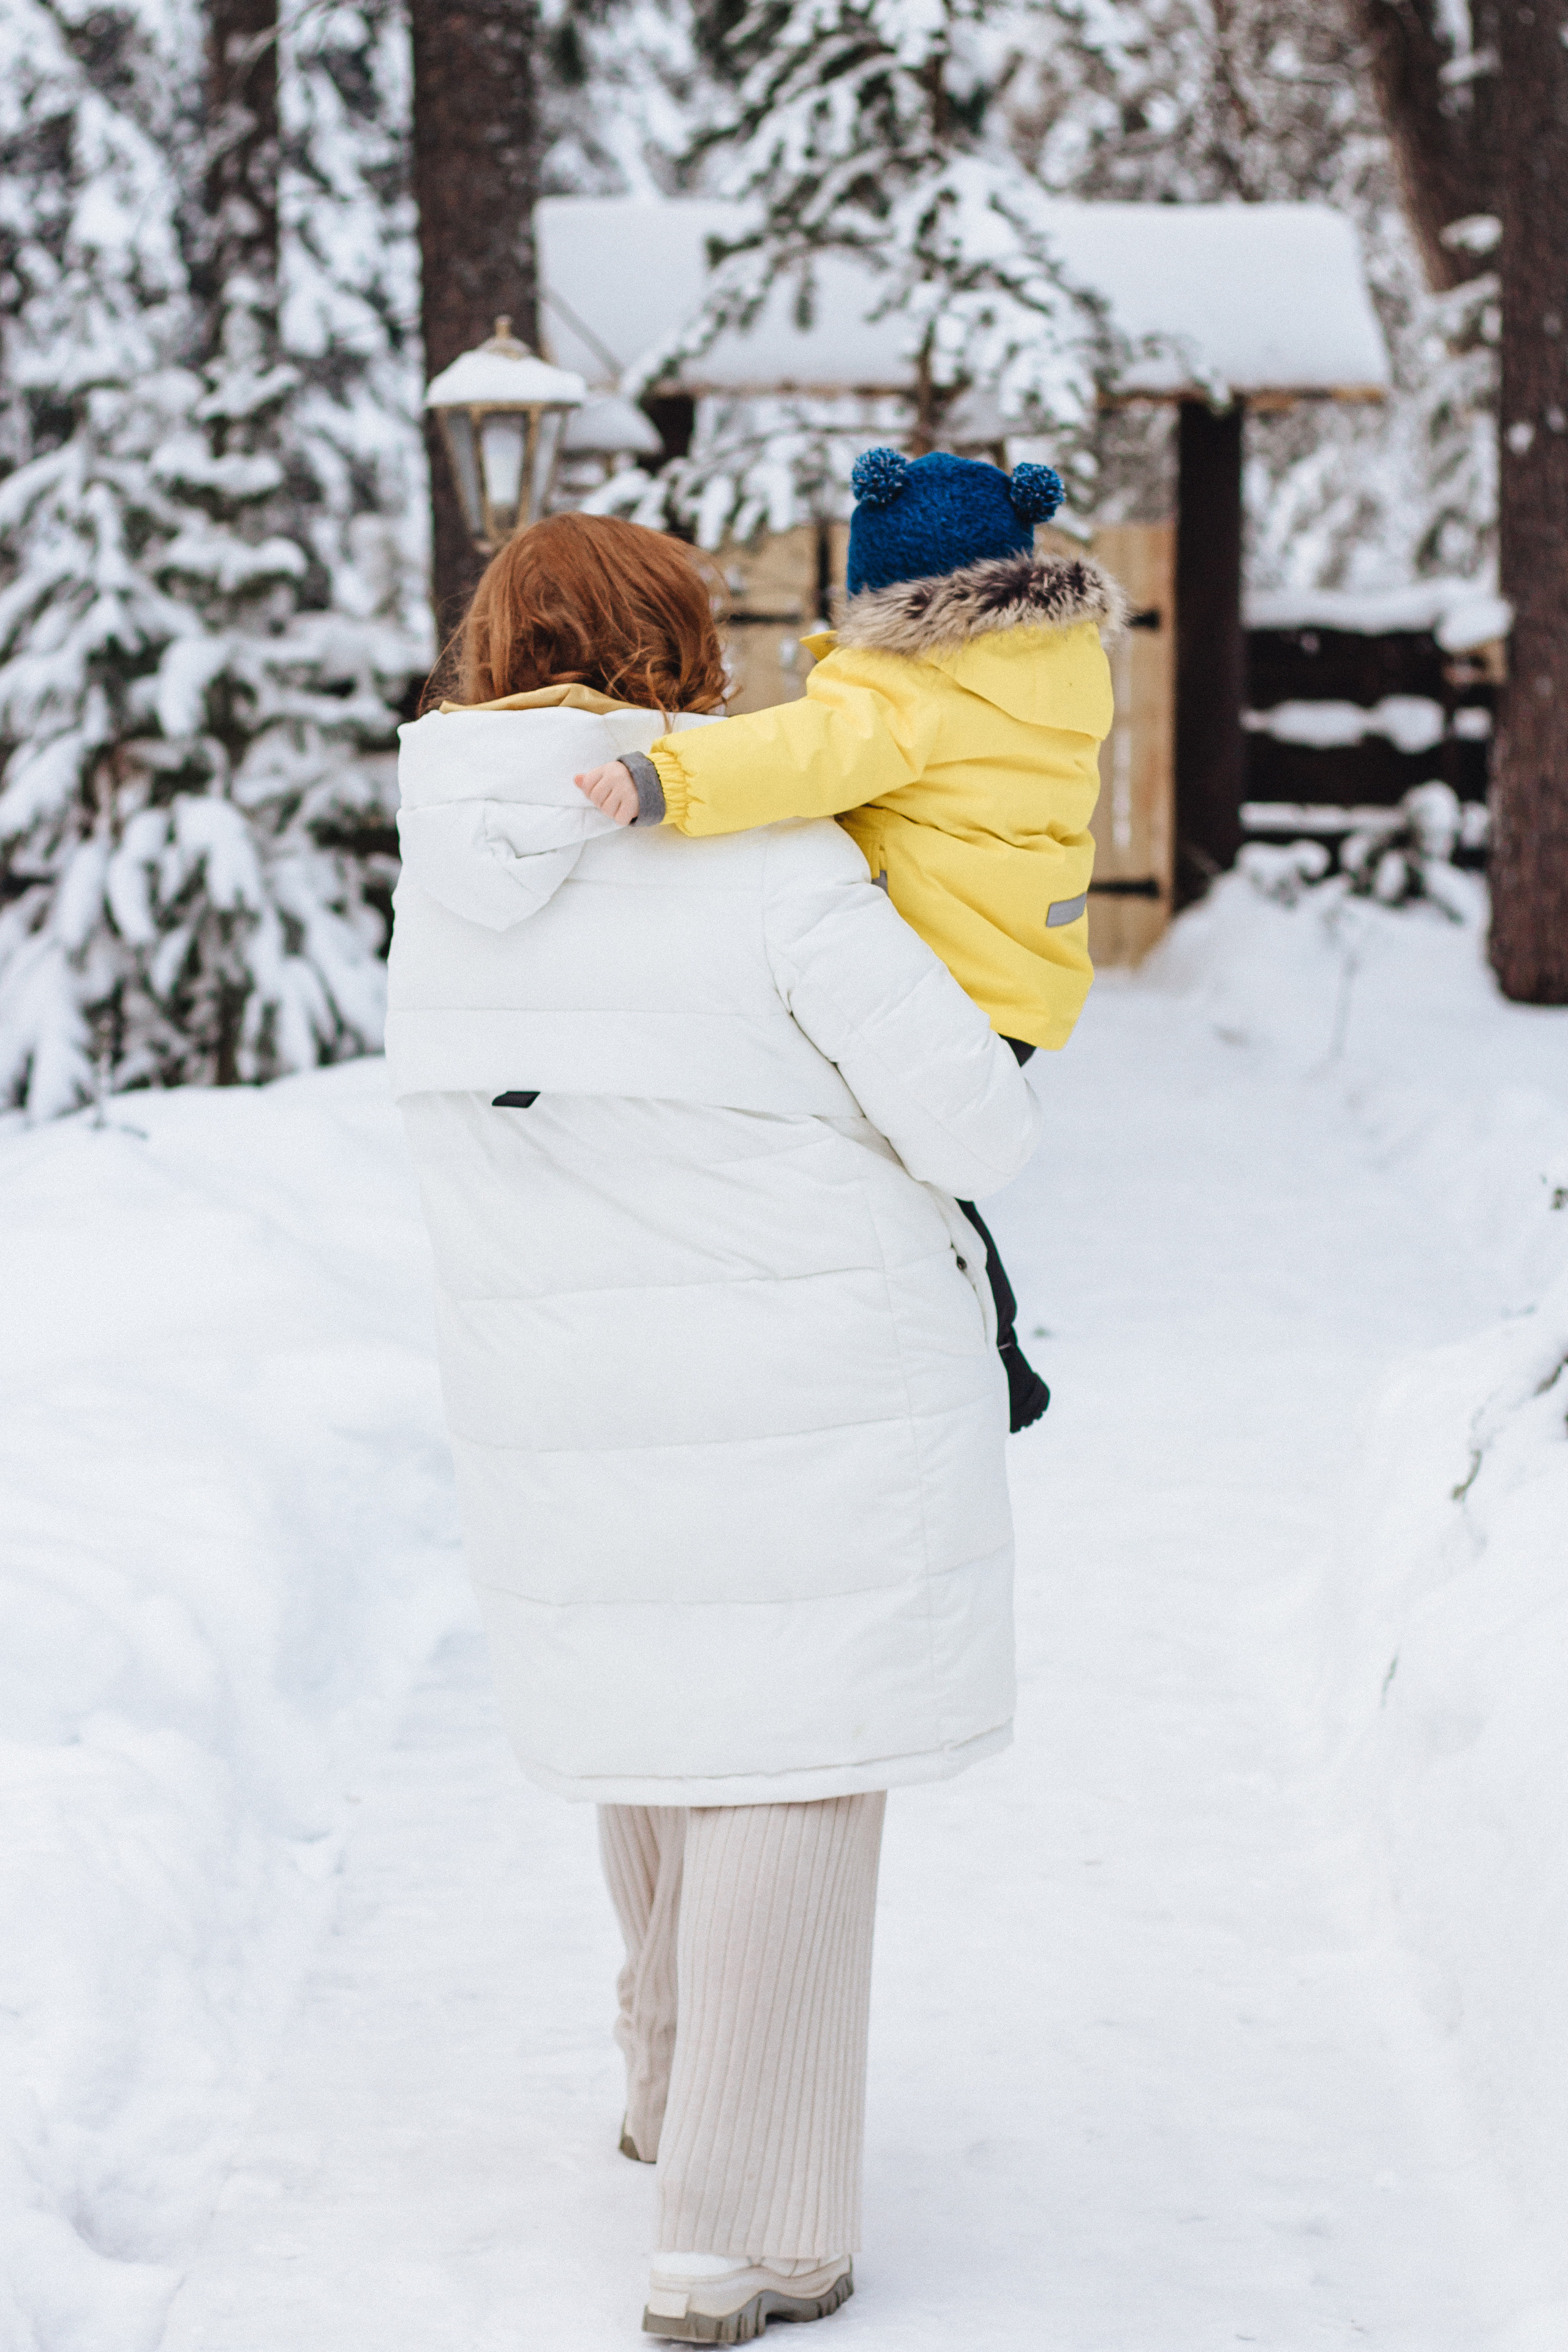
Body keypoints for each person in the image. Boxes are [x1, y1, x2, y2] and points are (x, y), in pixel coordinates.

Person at [385, 510, 1042, 2342]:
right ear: (680, 652)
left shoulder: (442, 869)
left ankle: (673, 2085)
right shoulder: (765, 862)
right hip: (807, 1378)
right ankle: (739, 2231)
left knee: (673, 1722)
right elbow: (974, 1124)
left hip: (565, 1392)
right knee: (796, 1764)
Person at [575, 446, 1125, 1433]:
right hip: (1018, 979)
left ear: (889, 589)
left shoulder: (913, 687)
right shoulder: (1055, 676)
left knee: (905, 1180)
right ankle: (988, 1354)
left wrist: (666, 780)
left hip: (938, 981)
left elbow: (804, 752)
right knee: (925, 1171)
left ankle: (988, 1355)